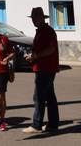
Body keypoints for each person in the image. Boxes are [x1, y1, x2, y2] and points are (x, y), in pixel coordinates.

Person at [23, 7, 59, 135]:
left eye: (35, 18)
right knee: (49, 97)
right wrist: (32, 56)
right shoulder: (42, 31)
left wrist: (36, 56)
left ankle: (37, 124)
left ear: (41, 18)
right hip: (44, 67)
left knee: (38, 96)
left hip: (46, 68)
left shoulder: (47, 31)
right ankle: (53, 124)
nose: (33, 20)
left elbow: (51, 49)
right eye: (32, 18)